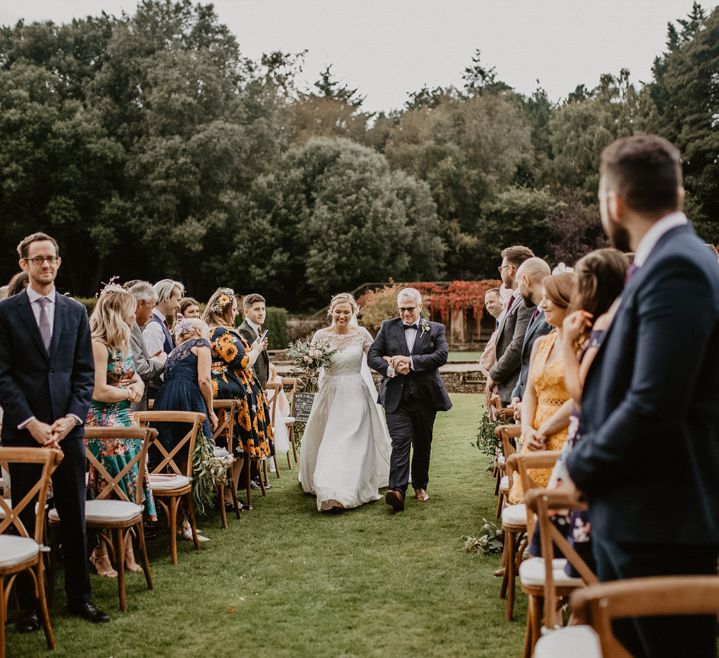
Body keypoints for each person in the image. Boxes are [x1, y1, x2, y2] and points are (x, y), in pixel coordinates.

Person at [566, 135, 719, 658]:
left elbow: (655, 402)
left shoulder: (677, 267)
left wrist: (580, 466)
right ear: (676, 192)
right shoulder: (662, 262)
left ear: (615, 201)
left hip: (660, 521)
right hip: (638, 512)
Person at [0, 232, 109, 628]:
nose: (46, 265)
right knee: (26, 516)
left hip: (69, 432)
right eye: (38, 259)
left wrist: (71, 419)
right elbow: (3, 375)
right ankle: (29, 605)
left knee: (75, 515)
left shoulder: (75, 312)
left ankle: (80, 598)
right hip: (22, 433)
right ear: (24, 265)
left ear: (59, 263)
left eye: (52, 259)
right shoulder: (6, 312)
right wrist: (30, 422)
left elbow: (83, 375)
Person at [86, 285, 155, 576]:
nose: (133, 313)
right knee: (105, 485)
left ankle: (127, 551)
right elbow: (99, 391)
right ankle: (100, 554)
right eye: (129, 308)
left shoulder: (122, 343)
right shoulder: (97, 344)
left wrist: (136, 388)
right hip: (102, 424)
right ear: (117, 311)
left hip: (126, 421)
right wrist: (129, 393)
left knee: (129, 482)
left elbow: (136, 378)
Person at [299, 293, 391, 512]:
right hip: (329, 394)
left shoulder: (361, 334)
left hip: (355, 394)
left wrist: (392, 362)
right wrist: (307, 362)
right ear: (331, 311)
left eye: (346, 312)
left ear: (353, 313)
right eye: (338, 311)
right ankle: (328, 488)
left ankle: (343, 491)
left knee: (350, 440)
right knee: (328, 439)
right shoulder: (320, 335)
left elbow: (375, 357)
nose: (341, 316)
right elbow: (311, 365)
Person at [367, 287, 452, 512]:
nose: (405, 313)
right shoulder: (388, 327)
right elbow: (372, 355)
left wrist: (410, 362)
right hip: (397, 398)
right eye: (402, 309)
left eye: (410, 309)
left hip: (425, 398)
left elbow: (441, 355)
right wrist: (393, 369)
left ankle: (420, 486)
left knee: (423, 443)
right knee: (401, 441)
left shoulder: (435, 329)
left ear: (420, 307)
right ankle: (397, 490)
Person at [508, 272, 575, 504]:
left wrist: (545, 429)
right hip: (534, 436)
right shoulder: (541, 343)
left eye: (549, 299)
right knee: (528, 507)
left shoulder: (583, 345)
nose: (543, 304)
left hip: (565, 435)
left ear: (567, 301)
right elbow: (530, 392)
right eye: (543, 297)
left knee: (557, 512)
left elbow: (581, 398)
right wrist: (527, 429)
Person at [204, 288, 273, 501]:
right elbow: (241, 361)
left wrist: (252, 348)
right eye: (233, 310)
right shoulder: (219, 332)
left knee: (239, 447)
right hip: (233, 397)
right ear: (222, 310)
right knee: (235, 445)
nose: (235, 314)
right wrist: (257, 349)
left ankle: (229, 494)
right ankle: (226, 495)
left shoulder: (221, 330)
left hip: (238, 393)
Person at [153, 317, 217, 540]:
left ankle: (180, 523)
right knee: (189, 462)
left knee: (171, 461)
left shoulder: (174, 352)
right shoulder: (202, 344)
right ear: (199, 330)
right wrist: (211, 410)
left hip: (165, 402)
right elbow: (204, 381)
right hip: (188, 401)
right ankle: (186, 524)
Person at [488, 245, 535, 406]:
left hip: (519, 390)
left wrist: (494, 374)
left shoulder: (526, 302)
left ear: (511, 269)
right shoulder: (513, 301)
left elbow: (518, 345)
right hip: (510, 389)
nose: (500, 272)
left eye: (501, 267)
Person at [510, 258, 552, 408]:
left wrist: (530, 404)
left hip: (541, 404)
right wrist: (517, 393)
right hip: (525, 402)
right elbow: (526, 362)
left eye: (518, 283)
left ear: (526, 280)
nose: (517, 291)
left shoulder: (552, 317)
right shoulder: (536, 312)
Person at [127, 281, 166, 411]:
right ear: (141, 303)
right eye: (152, 307)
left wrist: (149, 360)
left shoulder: (135, 326)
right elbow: (139, 368)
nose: (152, 314)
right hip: (128, 406)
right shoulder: (131, 327)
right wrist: (161, 362)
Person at [143, 279, 184, 360]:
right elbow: (155, 364)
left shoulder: (160, 323)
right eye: (177, 300)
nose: (179, 306)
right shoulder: (154, 326)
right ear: (166, 297)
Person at [238, 293, 270, 390]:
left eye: (263, 309)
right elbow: (248, 362)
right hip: (254, 386)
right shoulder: (245, 331)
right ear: (246, 312)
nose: (261, 313)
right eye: (257, 309)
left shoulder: (256, 328)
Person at [478, 287, 503, 380]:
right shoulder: (499, 322)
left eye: (491, 301)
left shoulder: (507, 322)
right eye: (486, 303)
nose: (488, 306)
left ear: (501, 300)